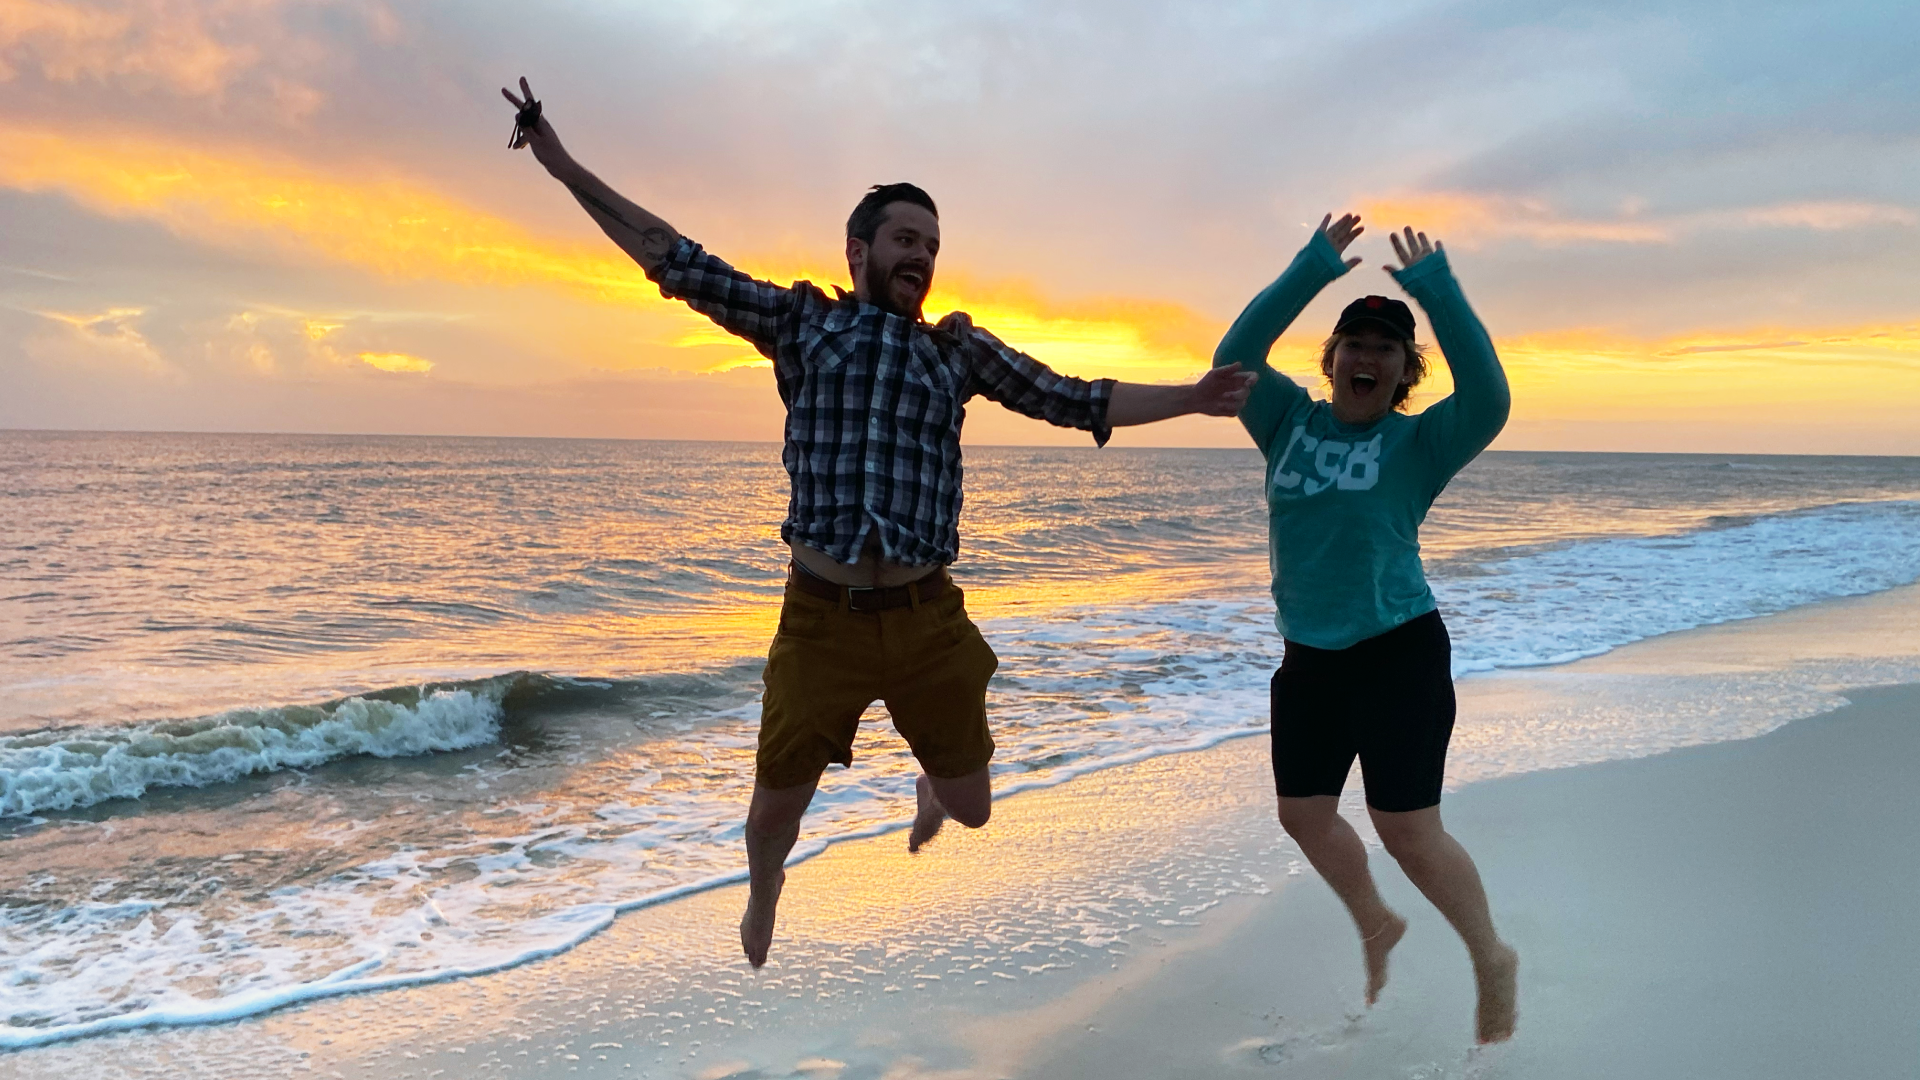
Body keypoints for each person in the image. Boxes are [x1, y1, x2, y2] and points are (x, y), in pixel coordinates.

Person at [500, 79, 1258, 968]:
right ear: (858, 249)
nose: (922, 256)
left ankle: (931, 792)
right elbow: (671, 256)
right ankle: (765, 890)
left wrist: (1193, 398)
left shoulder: (956, 351)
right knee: (770, 814)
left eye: (932, 246)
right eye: (906, 239)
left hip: (926, 617)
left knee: (972, 805)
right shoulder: (802, 325)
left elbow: (1072, 398)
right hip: (820, 619)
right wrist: (560, 165)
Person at [1213, 212, 1518, 1042]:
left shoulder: (1420, 442)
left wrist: (1437, 292)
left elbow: (1490, 396)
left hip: (1398, 653)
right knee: (1304, 815)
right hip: (1308, 659)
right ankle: (1377, 923)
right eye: (1354, 343)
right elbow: (1231, 359)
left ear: (1401, 372)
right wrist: (1312, 269)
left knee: (1408, 829)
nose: (1366, 357)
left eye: (1386, 350)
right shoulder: (1287, 422)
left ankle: (1490, 956)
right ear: (1334, 358)